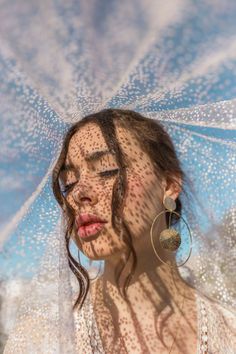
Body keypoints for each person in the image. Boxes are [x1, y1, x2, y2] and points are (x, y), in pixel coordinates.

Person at [49, 108, 235, 354]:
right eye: (68, 182)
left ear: (168, 185)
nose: (77, 193)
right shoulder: (45, 338)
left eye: (106, 169)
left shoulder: (228, 332)